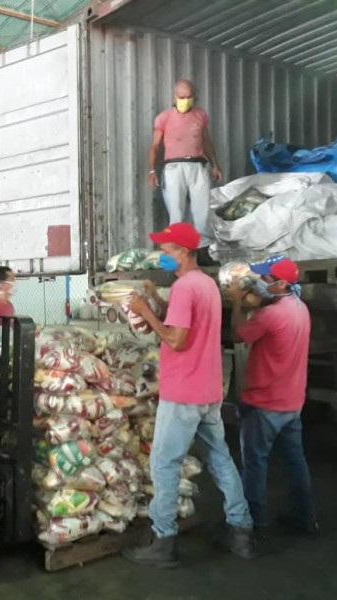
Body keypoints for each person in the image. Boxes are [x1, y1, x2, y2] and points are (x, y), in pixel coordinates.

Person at [123, 222, 256, 568]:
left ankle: (163, 541)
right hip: (210, 389)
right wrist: (154, 299)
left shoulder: (184, 289)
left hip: (183, 392)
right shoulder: (207, 285)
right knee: (220, 459)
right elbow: (188, 328)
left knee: (164, 464)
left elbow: (177, 340)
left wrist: (144, 311)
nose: (163, 256)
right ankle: (241, 530)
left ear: (183, 252)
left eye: (167, 251)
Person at [228, 255, 318, 537]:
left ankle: (256, 523)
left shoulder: (271, 315)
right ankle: (305, 518)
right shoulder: (300, 308)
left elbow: (237, 334)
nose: (260, 281)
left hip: (265, 402)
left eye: (265, 278)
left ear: (280, 283)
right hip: (292, 402)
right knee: (295, 461)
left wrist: (237, 302)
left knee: (254, 463)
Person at [148, 79, 223, 264]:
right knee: (177, 212)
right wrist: (152, 170)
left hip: (198, 165)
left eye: (189, 97)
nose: (185, 100)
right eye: (182, 97)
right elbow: (155, 146)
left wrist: (215, 164)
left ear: (194, 97)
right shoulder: (164, 118)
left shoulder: (200, 115)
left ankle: (203, 253)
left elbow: (206, 141)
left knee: (202, 211)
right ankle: (179, 255)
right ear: (174, 96)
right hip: (173, 167)